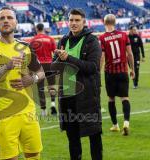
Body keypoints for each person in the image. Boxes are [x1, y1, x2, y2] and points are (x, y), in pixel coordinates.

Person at [0, 6, 44, 160]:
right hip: (5, 115)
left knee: (34, 155)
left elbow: (40, 73)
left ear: (16, 22)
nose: (6, 20)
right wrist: (6, 67)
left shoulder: (25, 47)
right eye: (2, 18)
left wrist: (31, 79)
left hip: (29, 113)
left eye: (9, 17)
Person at [53, 9, 102, 160]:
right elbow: (55, 67)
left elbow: (93, 67)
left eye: (77, 20)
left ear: (83, 22)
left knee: (94, 136)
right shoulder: (63, 41)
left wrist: (68, 58)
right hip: (67, 96)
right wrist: (58, 61)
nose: (73, 23)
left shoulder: (91, 41)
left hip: (87, 97)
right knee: (72, 138)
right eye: (71, 20)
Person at [99, 14, 135, 136]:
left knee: (111, 98)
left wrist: (99, 70)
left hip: (110, 73)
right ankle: (126, 123)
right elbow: (129, 54)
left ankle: (115, 125)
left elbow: (102, 56)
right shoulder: (124, 35)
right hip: (123, 71)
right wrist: (132, 69)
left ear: (104, 23)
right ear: (115, 22)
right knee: (125, 98)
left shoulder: (102, 38)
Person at [30, 23, 57, 116]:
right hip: (50, 64)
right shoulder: (50, 39)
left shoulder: (33, 40)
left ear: (37, 29)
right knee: (52, 85)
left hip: (39, 65)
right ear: (43, 29)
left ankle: (43, 110)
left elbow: (32, 56)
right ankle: (53, 104)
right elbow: (55, 53)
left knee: (40, 88)